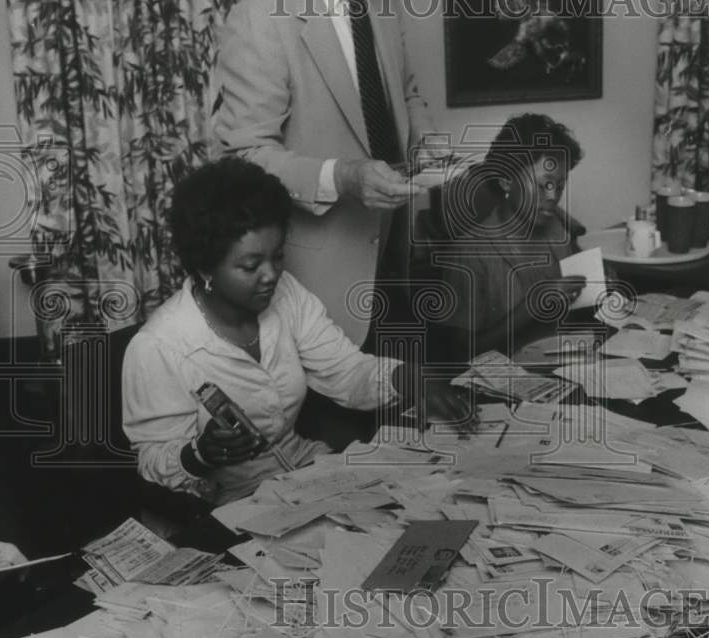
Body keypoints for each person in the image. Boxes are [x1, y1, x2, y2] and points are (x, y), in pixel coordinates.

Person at [122, 159, 470, 507]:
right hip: (233, 502)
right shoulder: (158, 346)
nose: (271, 275)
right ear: (204, 266)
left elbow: (345, 371)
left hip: (310, 470)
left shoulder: (286, 294)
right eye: (250, 266)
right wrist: (200, 454)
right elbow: (153, 462)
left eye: (277, 257)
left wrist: (405, 377)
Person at [212, 0, 444, 347]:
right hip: (317, 289)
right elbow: (245, 158)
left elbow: (405, 92)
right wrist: (342, 177)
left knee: (402, 420)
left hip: (395, 262)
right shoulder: (258, 19)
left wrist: (424, 139)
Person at [435, 114, 587, 359]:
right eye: (542, 185)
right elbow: (459, 352)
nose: (553, 197)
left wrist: (597, 286)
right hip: (503, 379)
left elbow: (571, 311)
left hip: (560, 363)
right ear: (506, 181)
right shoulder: (468, 252)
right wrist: (529, 309)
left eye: (559, 186)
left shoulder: (558, 229)